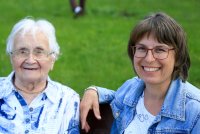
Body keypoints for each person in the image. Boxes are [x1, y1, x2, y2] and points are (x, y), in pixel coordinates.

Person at [80, 12, 200, 133]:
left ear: (178, 56)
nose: (149, 59)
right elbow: (116, 97)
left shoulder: (195, 112)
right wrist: (93, 91)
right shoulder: (131, 88)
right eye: (142, 48)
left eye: (160, 50)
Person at [0, 17, 80, 133]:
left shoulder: (67, 100)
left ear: (52, 59)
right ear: (12, 57)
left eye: (39, 52)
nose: (30, 60)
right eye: (22, 51)